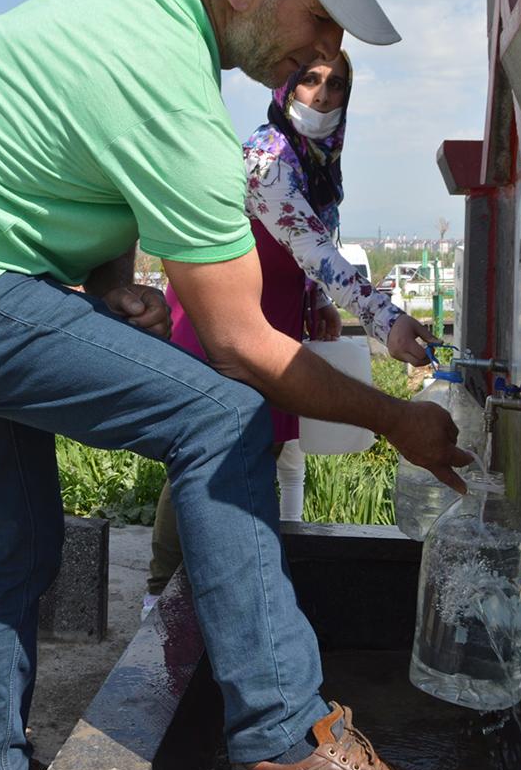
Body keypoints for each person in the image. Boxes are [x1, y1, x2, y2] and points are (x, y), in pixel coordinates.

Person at [0, 0, 471, 770]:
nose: (327, 48)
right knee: (224, 416)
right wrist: (397, 420)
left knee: (21, 539)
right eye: (320, 17)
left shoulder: (124, 14)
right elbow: (239, 345)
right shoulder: (170, 89)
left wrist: (109, 285)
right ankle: (283, 742)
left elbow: (66, 167)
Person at [145, 51, 422, 608]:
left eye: (336, 84)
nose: (323, 94)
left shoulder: (318, 161)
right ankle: (162, 590)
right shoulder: (269, 156)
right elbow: (312, 246)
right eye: (310, 80)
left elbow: (311, 246)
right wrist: (385, 321)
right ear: (286, 88)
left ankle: (218, 579)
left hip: (274, 314)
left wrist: (316, 300)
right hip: (221, 314)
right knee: (207, 448)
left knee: (262, 447)